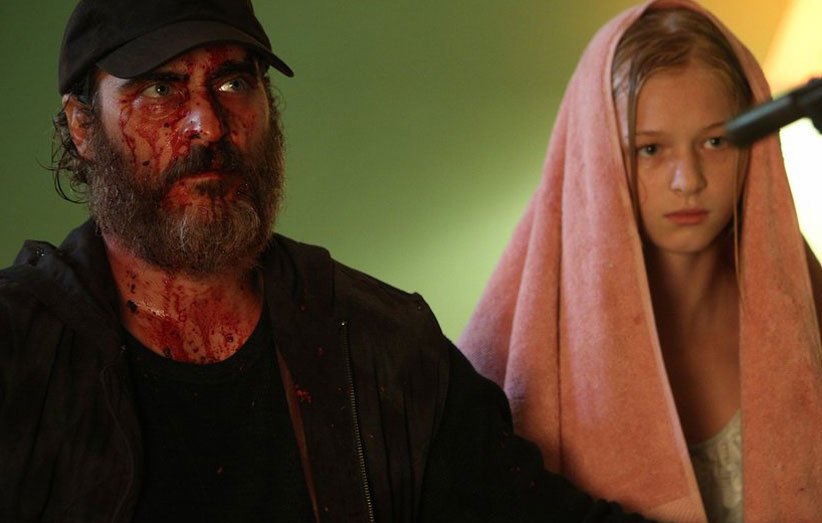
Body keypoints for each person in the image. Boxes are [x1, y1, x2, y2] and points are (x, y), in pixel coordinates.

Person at [0, 0, 656, 522]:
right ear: (82, 127)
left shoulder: (385, 348)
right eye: (160, 89)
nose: (209, 124)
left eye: (233, 82)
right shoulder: (20, 348)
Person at [459, 0, 822, 522]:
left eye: (715, 141)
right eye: (651, 150)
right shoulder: (530, 359)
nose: (689, 180)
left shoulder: (801, 314)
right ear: (599, 158)